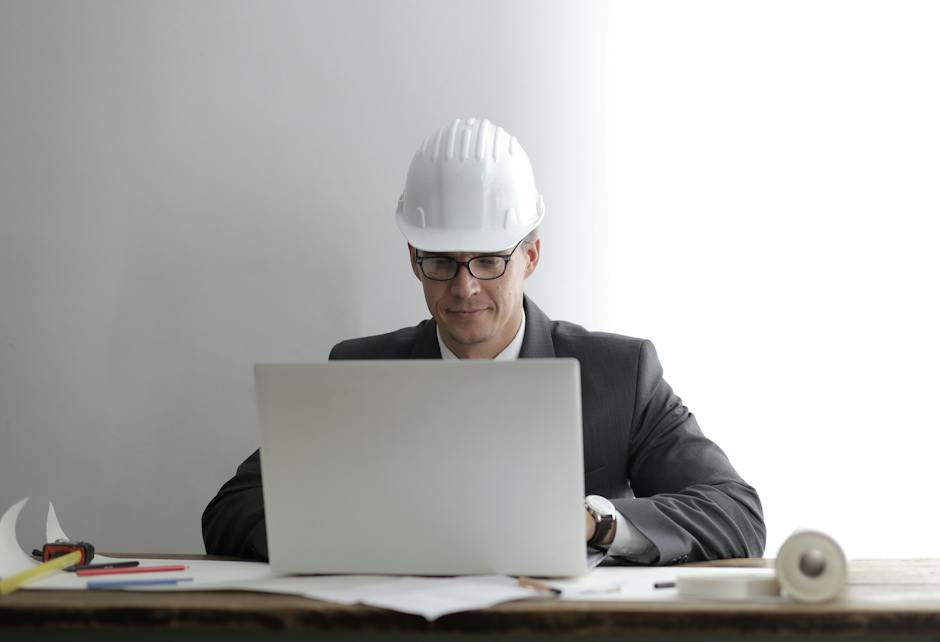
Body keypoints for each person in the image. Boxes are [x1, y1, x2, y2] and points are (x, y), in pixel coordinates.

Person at [203, 117, 765, 564]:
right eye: (442, 263)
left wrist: (594, 523)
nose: (465, 287)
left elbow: (735, 512)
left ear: (530, 257)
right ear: (414, 261)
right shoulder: (360, 369)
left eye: (490, 260)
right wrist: (346, 530)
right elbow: (231, 510)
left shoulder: (620, 373)